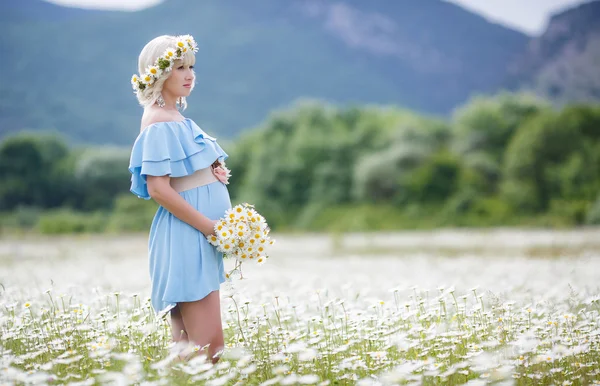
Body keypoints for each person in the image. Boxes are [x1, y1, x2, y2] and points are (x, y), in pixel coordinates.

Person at [127, 34, 232, 364]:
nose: (189, 74)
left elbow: (185, 173)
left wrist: (212, 171)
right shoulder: (158, 122)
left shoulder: (175, 118)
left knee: (190, 352)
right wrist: (209, 227)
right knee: (208, 352)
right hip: (190, 235)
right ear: (158, 73)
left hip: (197, 236)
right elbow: (158, 189)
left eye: (191, 67)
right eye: (179, 67)